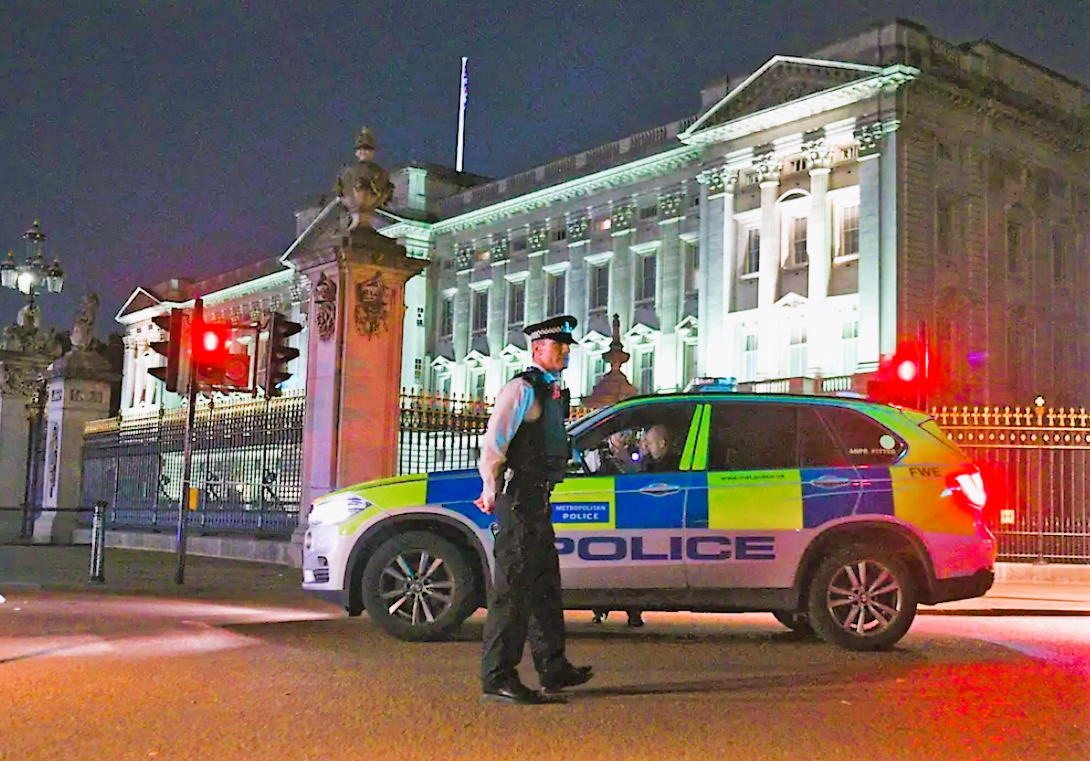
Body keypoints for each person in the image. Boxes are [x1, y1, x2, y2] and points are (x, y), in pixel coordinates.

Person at [476, 315, 594, 705]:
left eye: (566, 347)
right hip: (520, 498)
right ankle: (498, 676)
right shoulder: (521, 389)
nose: (564, 352)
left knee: (545, 587)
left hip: (538, 499)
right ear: (536, 349)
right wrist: (490, 490)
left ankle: (552, 667)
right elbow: (495, 443)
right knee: (512, 591)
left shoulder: (550, 391)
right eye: (557, 346)